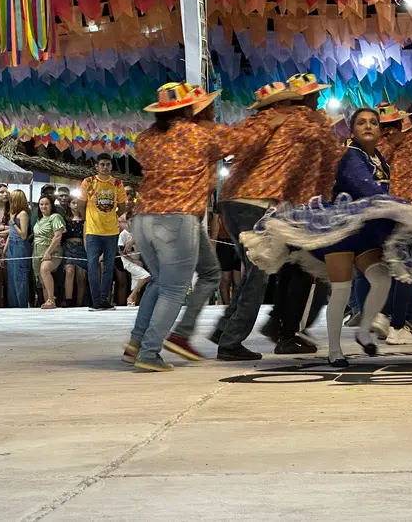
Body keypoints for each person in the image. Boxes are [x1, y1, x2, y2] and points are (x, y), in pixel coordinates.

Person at [241, 107, 412, 367]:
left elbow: (378, 190)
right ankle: (335, 350)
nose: (368, 126)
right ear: (353, 130)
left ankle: (364, 331)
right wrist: (402, 207)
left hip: (365, 231)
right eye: (361, 123)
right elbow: (364, 188)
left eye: (373, 123)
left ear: (380, 131)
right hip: (342, 231)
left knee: (381, 279)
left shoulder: (379, 157)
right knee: (342, 289)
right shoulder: (351, 156)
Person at [126, 82, 285, 372]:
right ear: (192, 108)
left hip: (142, 218)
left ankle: (136, 343)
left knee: (172, 280)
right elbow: (244, 141)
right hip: (177, 217)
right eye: (208, 104)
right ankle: (149, 352)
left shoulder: (146, 138)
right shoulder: (200, 134)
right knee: (173, 290)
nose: (213, 108)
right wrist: (269, 121)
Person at [211, 81, 333, 361]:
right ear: (284, 104)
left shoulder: (254, 123)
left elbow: (233, 148)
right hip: (256, 202)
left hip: (232, 201)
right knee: (259, 273)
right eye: (314, 96)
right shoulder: (298, 120)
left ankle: (225, 330)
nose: (316, 101)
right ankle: (231, 341)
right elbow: (325, 149)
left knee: (254, 272)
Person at [257, 73, 343, 355]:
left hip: (288, 205)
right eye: (315, 95)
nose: (319, 99)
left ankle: (280, 326)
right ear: (305, 98)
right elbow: (330, 153)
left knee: (292, 269)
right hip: (304, 207)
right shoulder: (305, 123)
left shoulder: (285, 122)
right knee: (307, 272)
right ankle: (287, 331)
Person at [370, 104, 412, 344]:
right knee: (406, 268)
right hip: (408, 210)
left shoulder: (372, 147)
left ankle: (382, 314)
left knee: (386, 265)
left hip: (381, 209)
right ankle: (397, 325)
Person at [78, 154, 128, 310]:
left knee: (108, 266)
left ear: (111, 166)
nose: (105, 167)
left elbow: (123, 206)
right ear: (96, 166)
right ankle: (95, 300)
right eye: (102, 164)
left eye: (108, 164)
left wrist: (112, 216)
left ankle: (104, 299)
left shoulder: (117, 183)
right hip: (93, 230)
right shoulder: (88, 182)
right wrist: (88, 218)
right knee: (92, 265)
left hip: (111, 231)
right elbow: (81, 204)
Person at [33, 195, 66, 309]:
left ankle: (51, 299)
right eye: (41, 204)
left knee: (45, 269)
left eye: (46, 204)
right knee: (42, 281)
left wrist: (48, 252)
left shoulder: (55, 217)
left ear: (51, 205)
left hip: (52, 252)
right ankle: (48, 303)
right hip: (37, 252)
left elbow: (58, 236)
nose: (43, 206)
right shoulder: (39, 220)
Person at [4, 190, 32, 308]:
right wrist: (5, 248)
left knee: (19, 277)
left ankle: (22, 304)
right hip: (12, 245)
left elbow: (24, 235)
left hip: (20, 246)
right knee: (11, 277)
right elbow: (10, 233)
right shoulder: (14, 213)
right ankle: (13, 304)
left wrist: (13, 223)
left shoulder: (23, 214)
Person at [118, 219, 150, 306]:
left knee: (135, 282)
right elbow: (121, 251)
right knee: (146, 276)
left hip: (137, 259)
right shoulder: (123, 234)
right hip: (129, 262)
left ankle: (132, 303)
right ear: (127, 222)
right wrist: (134, 261)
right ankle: (130, 297)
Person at [62, 197, 88, 307]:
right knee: (69, 270)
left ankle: (79, 302)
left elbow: (85, 237)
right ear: (69, 205)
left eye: (78, 203)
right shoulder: (66, 219)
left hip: (81, 248)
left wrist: (88, 252)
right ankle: (68, 300)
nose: (76, 205)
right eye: (73, 203)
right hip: (68, 248)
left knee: (81, 276)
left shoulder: (86, 219)